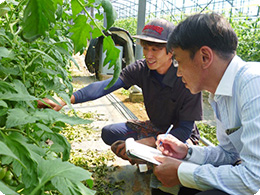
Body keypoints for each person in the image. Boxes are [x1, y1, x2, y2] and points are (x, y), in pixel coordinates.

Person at [38, 19, 202, 163]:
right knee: (110, 133)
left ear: (171, 51)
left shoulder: (185, 77)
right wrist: (66, 99)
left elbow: (185, 130)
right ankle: (149, 157)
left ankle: (154, 159)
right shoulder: (142, 69)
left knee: (174, 157)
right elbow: (106, 85)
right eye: (145, 48)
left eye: (155, 49)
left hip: (180, 136)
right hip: (155, 127)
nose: (148, 55)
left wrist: (147, 142)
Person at [153, 12, 260, 195]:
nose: (178, 74)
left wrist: (181, 172)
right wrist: (186, 152)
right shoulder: (220, 95)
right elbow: (229, 154)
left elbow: (253, 177)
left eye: (178, 62)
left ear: (204, 57)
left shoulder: (253, 83)